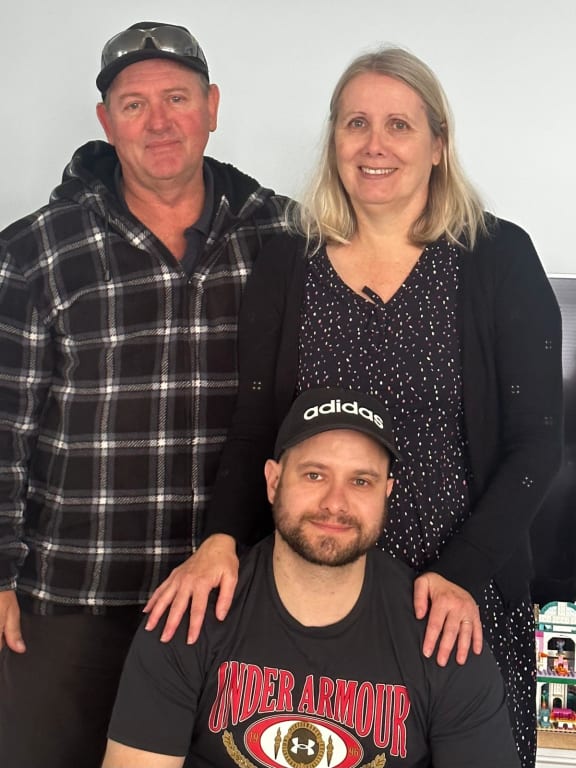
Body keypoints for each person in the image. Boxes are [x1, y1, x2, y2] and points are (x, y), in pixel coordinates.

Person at [143, 47, 563, 768]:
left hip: (457, 602)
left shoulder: (496, 256)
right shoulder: (286, 262)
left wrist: (459, 574)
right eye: (355, 123)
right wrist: (217, 541)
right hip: (315, 599)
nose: (374, 144)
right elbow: (254, 431)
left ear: (438, 143)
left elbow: (536, 445)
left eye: (399, 124)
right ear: (333, 139)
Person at [0, 21, 288, 768]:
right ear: (105, 121)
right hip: (73, 599)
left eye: (177, 98)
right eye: (133, 104)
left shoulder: (283, 238)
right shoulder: (35, 251)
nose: (159, 122)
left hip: (237, 601)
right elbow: (2, 429)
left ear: (213, 106)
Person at [103, 387, 521, 768]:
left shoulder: (442, 634)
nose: (335, 503)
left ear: (386, 493)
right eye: (314, 474)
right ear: (273, 481)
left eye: (361, 480)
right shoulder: (190, 611)